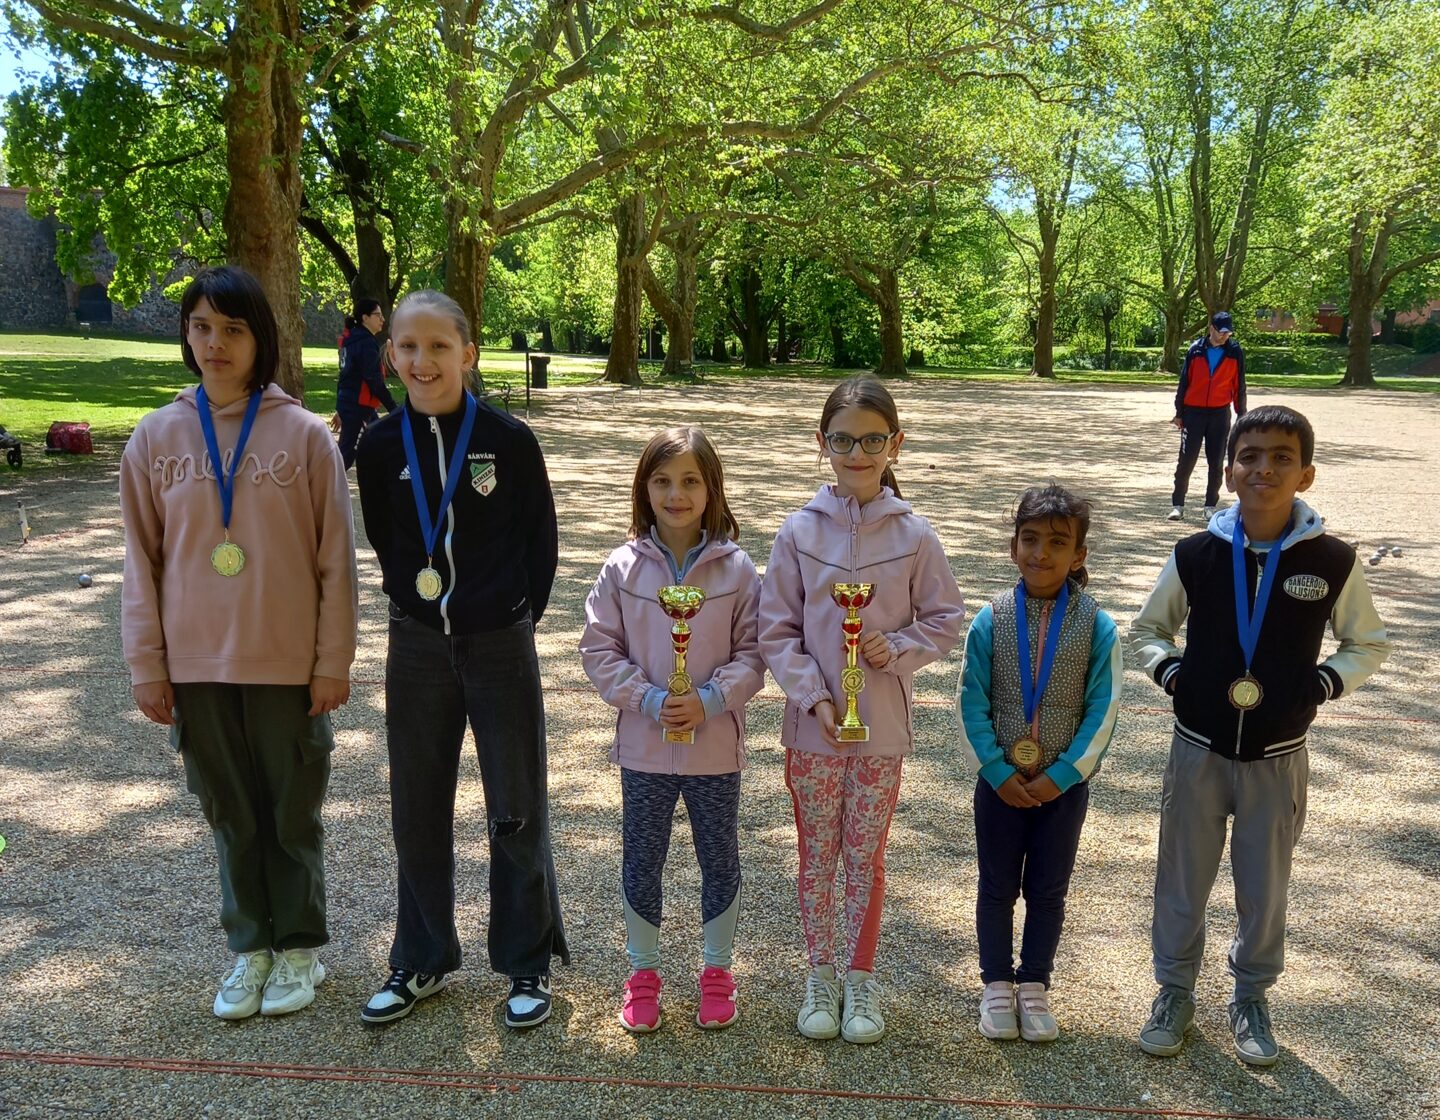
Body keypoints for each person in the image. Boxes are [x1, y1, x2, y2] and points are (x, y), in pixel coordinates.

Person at [119, 265, 358, 1021]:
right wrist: (147, 665)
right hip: (195, 666)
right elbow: (140, 563)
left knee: (291, 813)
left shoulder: (305, 436)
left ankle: (300, 949)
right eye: (201, 327)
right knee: (229, 813)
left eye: (233, 329)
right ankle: (251, 947)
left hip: (286, 664)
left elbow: (335, 560)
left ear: (261, 339)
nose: (214, 343)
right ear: (185, 335)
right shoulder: (155, 438)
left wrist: (332, 661)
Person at [1131, 405, 1390, 1066]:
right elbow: (1149, 631)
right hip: (1198, 747)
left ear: (1306, 474)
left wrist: (1322, 685)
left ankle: (1251, 996)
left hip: (1278, 755)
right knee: (1181, 877)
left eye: (1281, 457)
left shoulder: (1332, 561)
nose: (1263, 469)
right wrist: (1173, 675)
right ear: (1228, 472)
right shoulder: (1196, 554)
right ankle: (1174, 990)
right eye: (1249, 456)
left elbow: (1366, 643)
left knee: (1265, 884)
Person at [354, 289, 568, 1028]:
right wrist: (423, 605)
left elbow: (539, 543)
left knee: (516, 804)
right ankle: (421, 958)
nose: (423, 361)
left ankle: (526, 962)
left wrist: (507, 613)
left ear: (468, 354)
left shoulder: (508, 440)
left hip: (499, 641)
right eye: (408, 347)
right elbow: (385, 538)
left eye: (439, 346)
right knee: (417, 806)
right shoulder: (379, 445)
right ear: (391, 356)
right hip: (415, 644)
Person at [759, 376, 965, 1045]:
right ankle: (820, 973)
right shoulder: (798, 531)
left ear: (895, 444)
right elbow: (776, 630)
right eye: (843, 440)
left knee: (865, 858)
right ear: (822, 443)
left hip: (881, 732)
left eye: (873, 441)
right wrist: (813, 696)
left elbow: (945, 618)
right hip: (813, 731)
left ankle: (861, 977)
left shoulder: (916, 534)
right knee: (817, 854)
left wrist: (897, 646)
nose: (857, 454)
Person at [579, 426, 764, 1033]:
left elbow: (755, 650)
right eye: (662, 481)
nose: (676, 494)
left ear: (712, 490)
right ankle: (643, 974)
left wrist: (711, 699)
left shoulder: (737, 569)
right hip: (645, 750)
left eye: (690, 481)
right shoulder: (622, 567)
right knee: (642, 861)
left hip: (714, 750)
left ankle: (717, 971)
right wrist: (650, 700)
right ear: (644, 488)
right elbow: (599, 648)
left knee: (720, 859)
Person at [955, 485, 1122, 1043]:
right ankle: (996, 983)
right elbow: (971, 701)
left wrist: (1063, 775)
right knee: (997, 886)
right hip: (1000, 787)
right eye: (1029, 539)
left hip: (1062, 790)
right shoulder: (990, 618)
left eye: (1057, 543)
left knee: (1049, 889)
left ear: (1078, 555)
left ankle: (1034, 983)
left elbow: (1103, 708)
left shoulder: (1097, 625)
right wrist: (997, 771)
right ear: (1013, 547)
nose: (1041, 553)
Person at [1168, 310, 1247, 522]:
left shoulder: (1234, 352)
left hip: (1219, 414)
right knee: (1186, 461)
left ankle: (1210, 506)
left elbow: (1239, 384)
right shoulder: (1195, 350)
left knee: (1216, 462)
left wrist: (1241, 414)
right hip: (1193, 413)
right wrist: (1179, 412)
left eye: (1228, 332)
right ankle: (1178, 505)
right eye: (1222, 331)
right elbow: (1184, 382)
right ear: (1211, 328)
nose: (1225, 336)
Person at [336, 299, 397, 470]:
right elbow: (373, 379)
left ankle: (379, 479)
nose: (383, 319)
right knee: (346, 454)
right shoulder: (365, 343)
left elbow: (346, 376)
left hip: (354, 404)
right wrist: (393, 408)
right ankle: (322, 483)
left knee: (376, 441)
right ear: (365, 318)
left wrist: (340, 407)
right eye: (378, 315)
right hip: (358, 406)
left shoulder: (352, 340)